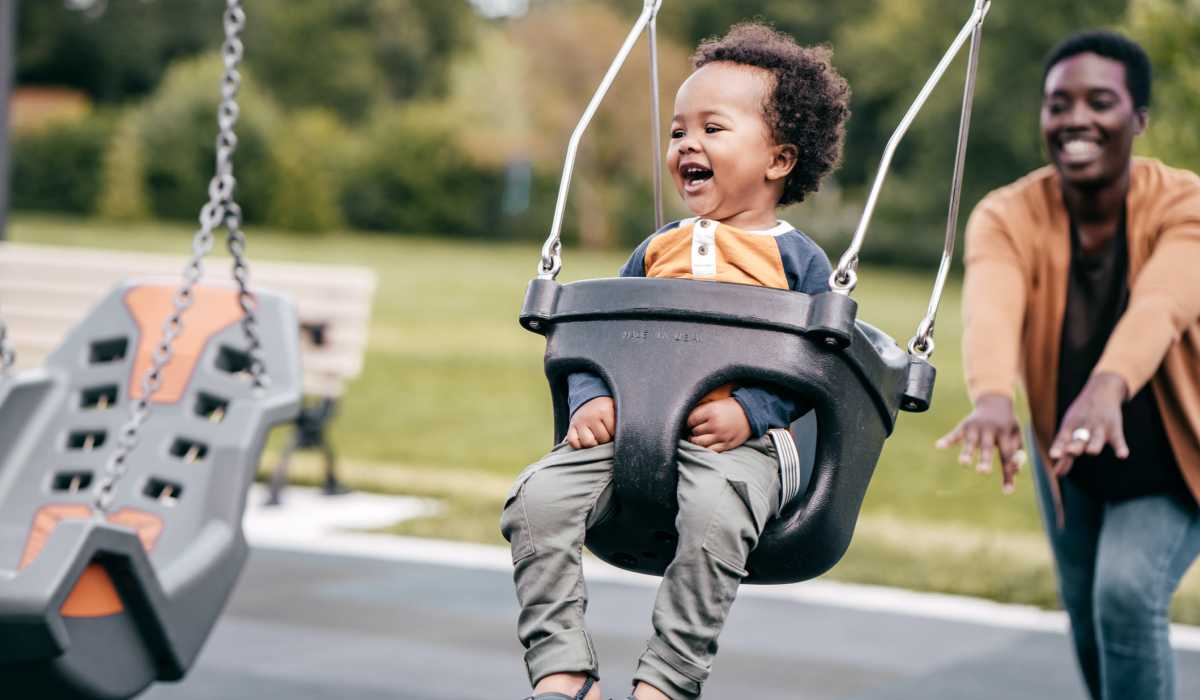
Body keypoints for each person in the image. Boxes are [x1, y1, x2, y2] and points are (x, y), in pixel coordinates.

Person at [501, 23, 850, 700]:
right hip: (631, 426)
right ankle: (562, 670)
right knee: (536, 501)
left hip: (740, 449)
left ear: (778, 159)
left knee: (716, 517)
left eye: (712, 129)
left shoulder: (797, 258)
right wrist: (590, 400)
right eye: (677, 131)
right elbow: (600, 332)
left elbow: (820, 366)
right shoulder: (656, 248)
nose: (687, 144)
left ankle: (668, 680)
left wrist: (750, 412)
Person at [938, 30, 1200, 699]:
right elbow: (991, 307)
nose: (1076, 118)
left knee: (1123, 594)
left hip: (1175, 453)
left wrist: (1109, 384)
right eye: (1058, 104)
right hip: (1070, 452)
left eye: (1100, 101)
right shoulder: (1007, 214)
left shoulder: (1186, 206)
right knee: (1088, 621)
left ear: (1138, 118)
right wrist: (994, 396)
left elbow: (1163, 305)